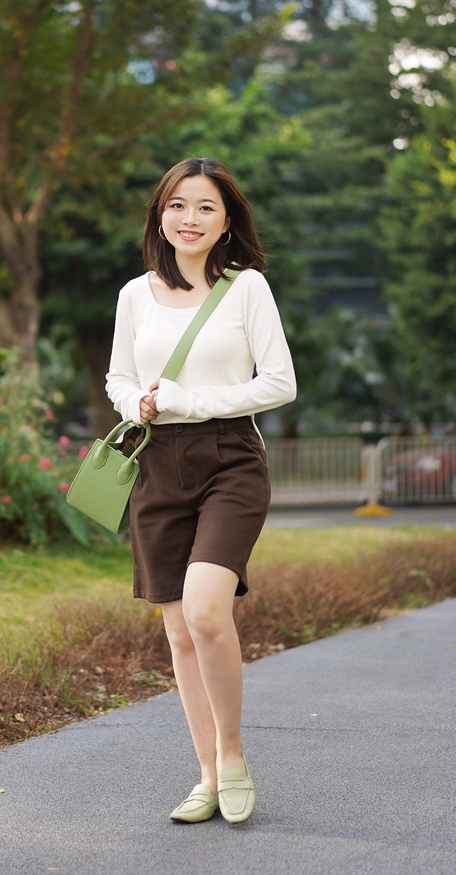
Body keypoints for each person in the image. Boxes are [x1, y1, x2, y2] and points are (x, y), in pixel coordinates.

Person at [105, 156, 296, 825]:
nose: (190, 218)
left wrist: (191, 399)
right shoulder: (135, 294)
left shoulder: (247, 290)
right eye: (178, 205)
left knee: (208, 611)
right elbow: (119, 378)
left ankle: (235, 755)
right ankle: (208, 775)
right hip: (157, 468)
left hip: (229, 460)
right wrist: (139, 404)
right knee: (180, 633)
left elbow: (279, 384)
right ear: (161, 214)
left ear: (226, 222)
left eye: (206, 207)